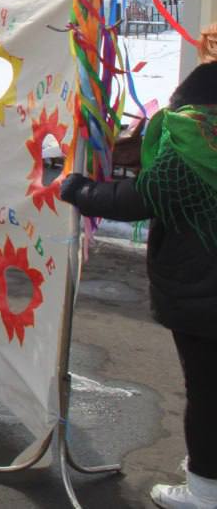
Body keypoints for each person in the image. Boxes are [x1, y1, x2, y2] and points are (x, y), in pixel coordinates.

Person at [61, 25, 217, 509]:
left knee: (208, 392)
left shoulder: (194, 135)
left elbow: (147, 196)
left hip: (203, 287)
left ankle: (205, 490)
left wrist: (80, 191)